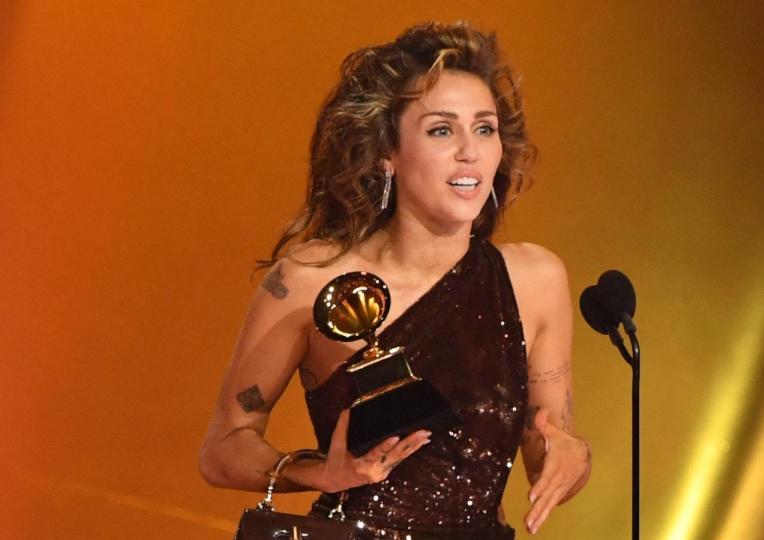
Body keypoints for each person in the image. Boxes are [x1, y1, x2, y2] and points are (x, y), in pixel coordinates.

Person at [199, 21, 590, 539]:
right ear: (388, 151)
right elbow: (223, 449)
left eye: (485, 128)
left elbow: (549, 452)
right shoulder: (309, 280)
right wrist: (316, 470)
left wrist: (572, 454)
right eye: (441, 130)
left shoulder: (534, 279)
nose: (469, 151)